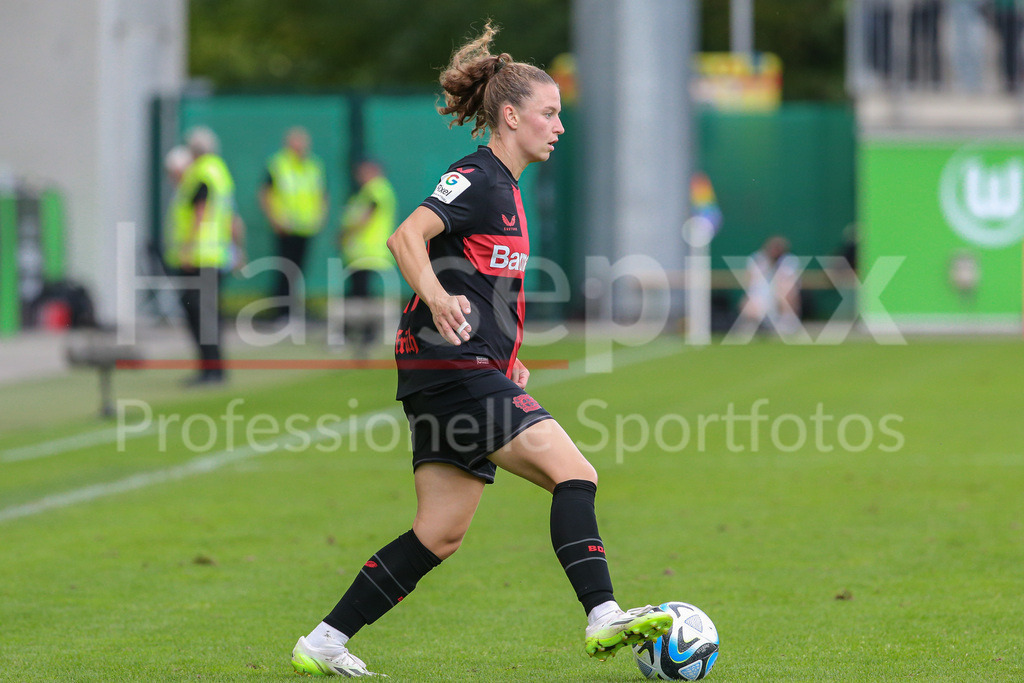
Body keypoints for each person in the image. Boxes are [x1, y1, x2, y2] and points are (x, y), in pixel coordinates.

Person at [289, 23, 672, 677]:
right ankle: (603, 612)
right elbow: (406, 235)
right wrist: (436, 296)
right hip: (448, 365)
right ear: (512, 114)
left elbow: (488, 282)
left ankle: (323, 639)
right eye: (549, 113)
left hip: (454, 371)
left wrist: (507, 354)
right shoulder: (476, 176)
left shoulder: (509, 192)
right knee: (575, 472)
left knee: (440, 532)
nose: (557, 125)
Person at [163, 128, 236, 385]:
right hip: (214, 255)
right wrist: (237, 249)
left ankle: (211, 369)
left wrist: (187, 248)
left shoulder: (202, 173)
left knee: (200, 314)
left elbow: (200, 212)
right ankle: (212, 367)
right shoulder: (220, 173)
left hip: (200, 257)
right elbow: (230, 217)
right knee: (207, 314)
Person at [258, 126, 328, 320]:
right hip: (285, 228)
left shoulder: (314, 165)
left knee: (298, 271)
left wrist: (320, 217)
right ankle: (282, 311)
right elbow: (265, 193)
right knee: (284, 269)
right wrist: (274, 219)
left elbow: (322, 193)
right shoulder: (278, 163)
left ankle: (294, 310)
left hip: (306, 228)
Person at [336, 159, 397, 351]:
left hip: (369, 252)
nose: (360, 176)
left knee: (361, 295)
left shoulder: (376, 189)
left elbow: (365, 217)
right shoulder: (366, 192)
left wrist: (345, 233)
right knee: (358, 294)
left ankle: (363, 333)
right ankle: (355, 332)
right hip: (359, 253)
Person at [737, 235, 802, 336]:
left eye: (778, 249)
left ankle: (787, 323)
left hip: (779, 293)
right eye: (773, 248)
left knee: (786, 293)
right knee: (750, 302)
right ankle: (751, 325)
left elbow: (788, 281)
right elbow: (750, 280)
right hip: (761, 293)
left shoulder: (789, 260)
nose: (774, 251)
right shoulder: (758, 259)